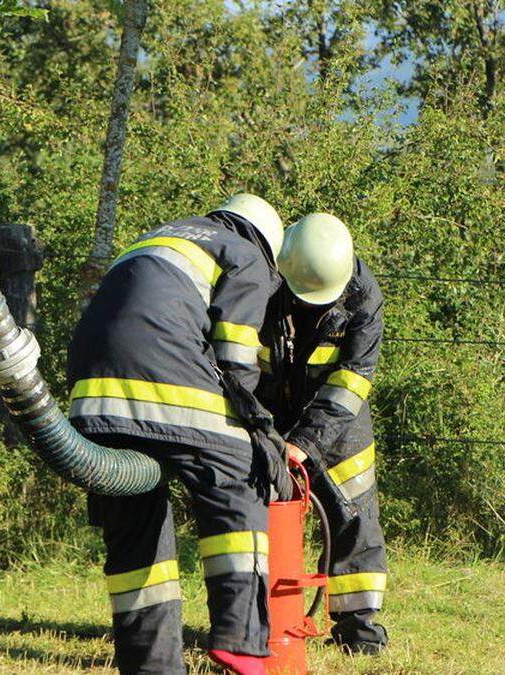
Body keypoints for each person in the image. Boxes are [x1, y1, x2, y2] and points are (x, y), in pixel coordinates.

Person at [67, 194, 285, 674]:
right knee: (240, 477)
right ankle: (242, 641)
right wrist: (257, 427)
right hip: (165, 388)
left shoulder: (155, 238)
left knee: (135, 528)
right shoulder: (243, 253)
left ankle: (151, 664)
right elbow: (235, 357)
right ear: (268, 247)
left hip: (92, 399)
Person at [258, 212, 389, 655]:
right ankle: (256, 623)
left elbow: (353, 379)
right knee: (255, 512)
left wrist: (306, 443)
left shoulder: (363, 296)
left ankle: (360, 631)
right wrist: (263, 433)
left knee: (353, 512)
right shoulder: (263, 279)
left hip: (338, 416)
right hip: (265, 407)